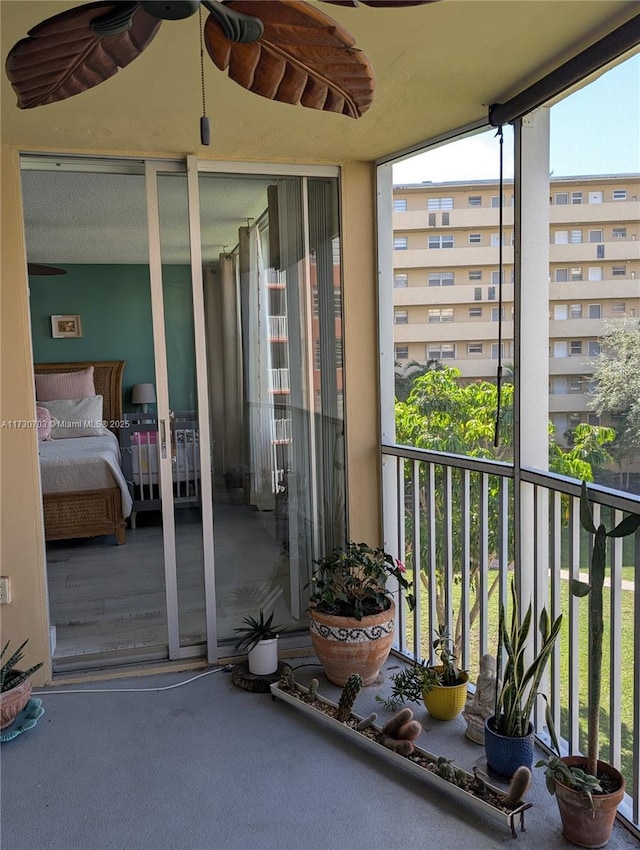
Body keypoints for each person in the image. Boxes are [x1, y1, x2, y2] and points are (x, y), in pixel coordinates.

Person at [463, 653, 500, 744]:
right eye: (481, 669)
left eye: (486, 670)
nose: (482, 672)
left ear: (492, 670)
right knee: (467, 706)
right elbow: (477, 693)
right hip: (479, 705)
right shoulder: (480, 678)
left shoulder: (497, 683)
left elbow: (497, 701)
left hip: (489, 708)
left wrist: (487, 708)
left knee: (488, 714)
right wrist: (475, 703)